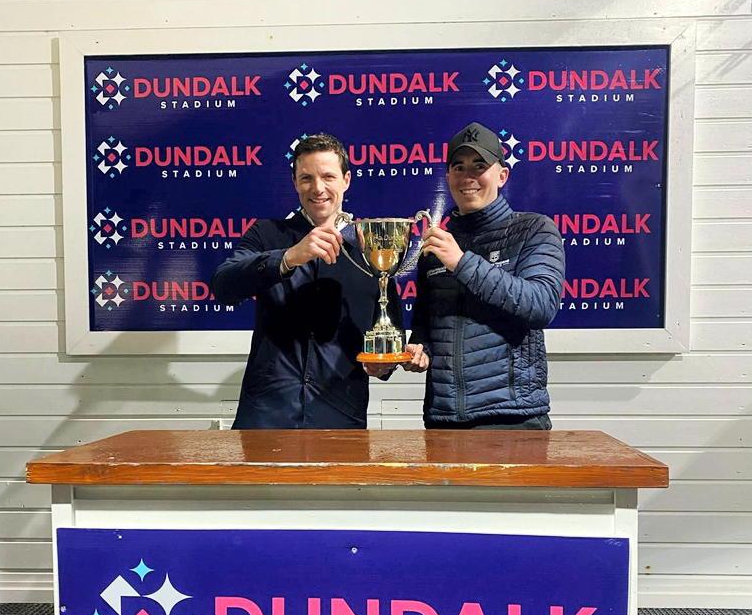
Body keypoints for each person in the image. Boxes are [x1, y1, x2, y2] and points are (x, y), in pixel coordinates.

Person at [210, 133, 398, 429]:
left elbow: (389, 329)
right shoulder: (266, 234)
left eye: (328, 177)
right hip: (266, 421)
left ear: (346, 180)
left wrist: (384, 365)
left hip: (340, 420)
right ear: (295, 183)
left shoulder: (372, 248)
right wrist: (288, 257)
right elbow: (223, 286)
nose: (318, 188)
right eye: (307, 178)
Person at [405, 121, 565, 429]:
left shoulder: (534, 229)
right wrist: (419, 349)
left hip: (513, 419)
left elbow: (541, 305)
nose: (468, 176)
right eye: (459, 167)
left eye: (480, 166)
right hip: (444, 419)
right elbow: (426, 323)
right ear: (448, 177)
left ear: (502, 175)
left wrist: (461, 262)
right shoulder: (436, 246)